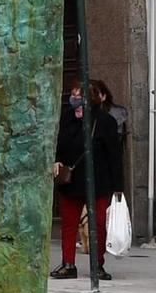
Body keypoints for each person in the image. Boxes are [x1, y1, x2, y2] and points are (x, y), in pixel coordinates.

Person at [52, 77, 124, 280]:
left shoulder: (104, 121)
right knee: (69, 223)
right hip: (71, 180)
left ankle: (97, 265)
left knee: (99, 224)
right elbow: (57, 143)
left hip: (98, 181)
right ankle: (68, 263)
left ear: (90, 98)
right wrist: (56, 160)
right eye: (73, 94)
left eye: (79, 95)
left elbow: (114, 156)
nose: (74, 98)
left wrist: (118, 188)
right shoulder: (66, 117)